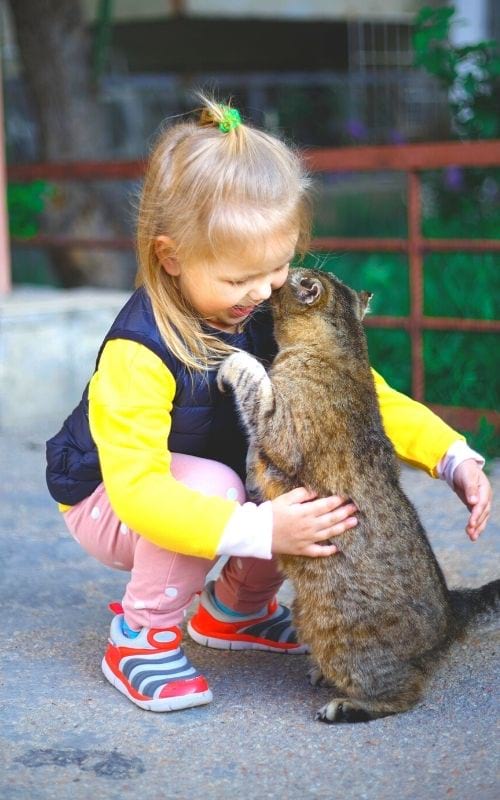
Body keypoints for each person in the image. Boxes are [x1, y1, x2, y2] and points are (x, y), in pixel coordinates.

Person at [46, 96, 492, 713]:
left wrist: (451, 455)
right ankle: (140, 636)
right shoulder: (139, 351)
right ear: (171, 258)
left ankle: (234, 612)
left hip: (209, 488)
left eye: (277, 270)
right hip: (113, 501)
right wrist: (261, 530)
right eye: (239, 279)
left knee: (298, 488)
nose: (261, 292)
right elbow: (141, 493)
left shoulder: (257, 312)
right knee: (222, 488)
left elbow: (362, 402)